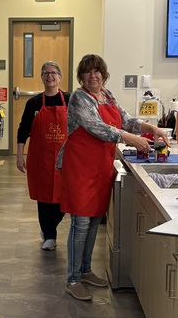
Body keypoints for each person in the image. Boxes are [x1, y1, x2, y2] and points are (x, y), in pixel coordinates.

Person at [59, 53, 170, 301]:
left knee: (94, 219)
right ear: (81, 76)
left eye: (97, 71)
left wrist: (150, 128)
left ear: (103, 74)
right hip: (79, 169)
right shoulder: (79, 98)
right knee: (81, 225)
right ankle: (73, 279)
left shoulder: (107, 95)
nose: (93, 75)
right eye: (87, 71)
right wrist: (131, 139)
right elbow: (99, 127)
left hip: (100, 169)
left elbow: (125, 120)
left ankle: (85, 270)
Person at [16, 60, 70, 251]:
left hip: (66, 159)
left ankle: (50, 226)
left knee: (64, 197)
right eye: (46, 73)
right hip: (41, 158)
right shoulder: (34, 103)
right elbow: (23, 130)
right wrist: (19, 155)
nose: (50, 76)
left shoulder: (70, 100)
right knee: (44, 196)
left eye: (54, 73)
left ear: (60, 77)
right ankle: (49, 235)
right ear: (41, 77)